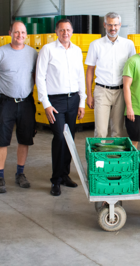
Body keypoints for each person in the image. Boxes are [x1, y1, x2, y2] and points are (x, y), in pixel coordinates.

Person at [36, 18, 86, 197]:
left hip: (73, 100)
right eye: (62, 30)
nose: (66, 33)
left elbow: (81, 77)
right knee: (58, 137)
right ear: (56, 32)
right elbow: (40, 77)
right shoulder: (47, 50)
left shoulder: (77, 51)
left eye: (68, 30)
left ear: (72, 32)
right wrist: (46, 103)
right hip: (55, 102)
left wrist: (81, 102)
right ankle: (55, 180)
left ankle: (65, 175)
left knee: (69, 139)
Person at [0, 21, 38, 193]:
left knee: (25, 139)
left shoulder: (33, 53)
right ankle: (0, 177)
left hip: (26, 103)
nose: (20, 36)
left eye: (23, 33)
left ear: (26, 34)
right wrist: (3, 93)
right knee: (2, 140)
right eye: (17, 32)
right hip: (5, 103)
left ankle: (20, 174)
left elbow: (34, 76)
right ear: (10, 32)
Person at [85, 12, 136, 137]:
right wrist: (89, 95)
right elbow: (90, 70)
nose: (113, 28)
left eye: (115, 25)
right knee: (101, 132)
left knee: (118, 131)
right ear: (104, 25)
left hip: (121, 91)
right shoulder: (95, 45)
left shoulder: (128, 45)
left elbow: (133, 70)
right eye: (109, 25)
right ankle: (99, 157)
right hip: (102, 90)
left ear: (120, 25)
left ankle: (114, 157)